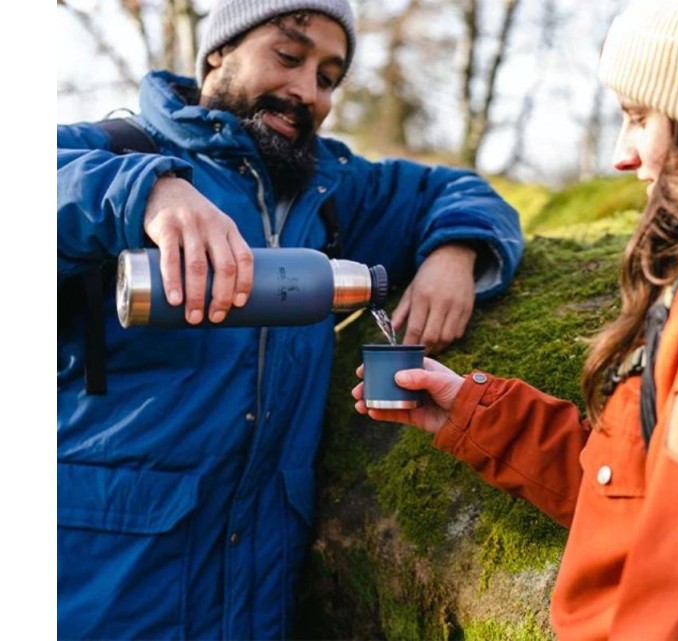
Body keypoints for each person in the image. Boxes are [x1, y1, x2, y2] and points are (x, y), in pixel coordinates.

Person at [57, 0, 524, 638]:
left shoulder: (329, 193)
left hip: (256, 593)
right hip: (97, 589)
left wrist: (455, 251)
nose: (306, 90)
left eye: (329, 77)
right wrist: (146, 191)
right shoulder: (110, 149)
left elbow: (458, 190)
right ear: (218, 51)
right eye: (288, 55)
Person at [353, 0, 678, 638]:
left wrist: (457, 246)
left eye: (639, 117)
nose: (621, 155)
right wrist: (467, 409)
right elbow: (627, 497)